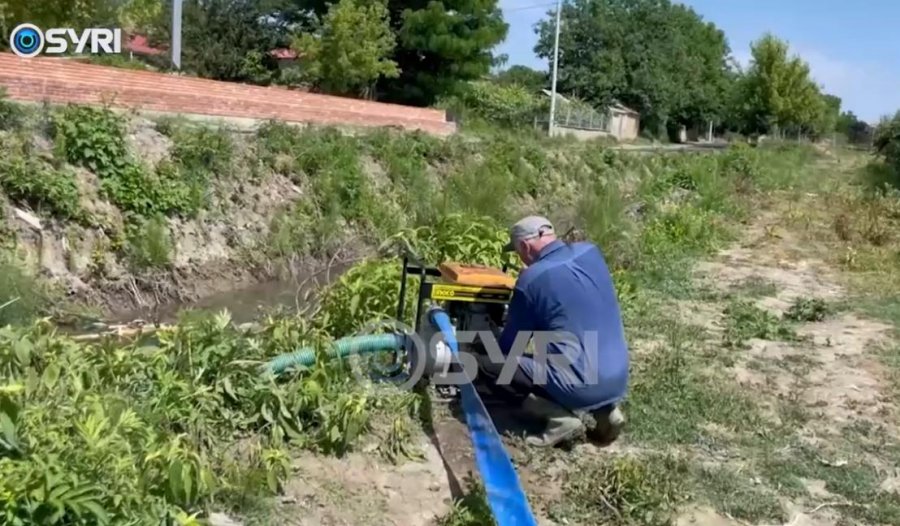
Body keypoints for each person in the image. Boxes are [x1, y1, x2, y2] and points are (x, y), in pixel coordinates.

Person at [475, 215, 629, 447]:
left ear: (525, 246)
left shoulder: (531, 279)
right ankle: (607, 413)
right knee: (580, 351)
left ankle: (560, 419)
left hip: (579, 386)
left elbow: (510, 346)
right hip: (618, 377)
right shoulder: (591, 252)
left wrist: (485, 338)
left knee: (491, 366)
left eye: (517, 251)